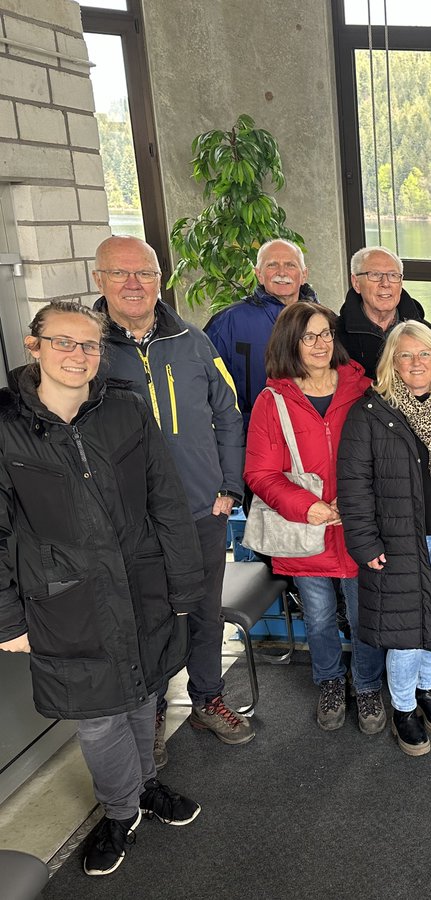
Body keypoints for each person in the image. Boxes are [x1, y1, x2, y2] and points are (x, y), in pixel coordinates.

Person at [0, 301, 203, 876]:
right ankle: (119, 812)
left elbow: (166, 501)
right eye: (64, 342)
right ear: (33, 345)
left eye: (89, 345)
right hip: (64, 599)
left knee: (142, 692)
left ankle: (144, 787)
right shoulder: (7, 426)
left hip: (140, 583)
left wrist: (184, 584)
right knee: (97, 716)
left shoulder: (126, 410)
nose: (78, 355)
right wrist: (7, 620)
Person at [93, 235, 252, 765]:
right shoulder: (90, 349)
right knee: (150, 616)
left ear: (160, 280)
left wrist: (229, 485)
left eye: (145, 273)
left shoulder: (192, 339)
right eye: (121, 274)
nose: (134, 284)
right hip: (131, 518)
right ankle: (155, 709)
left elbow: (228, 413)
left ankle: (208, 697)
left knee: (204, 609)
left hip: (200, 508)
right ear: (101, 280)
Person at [338, 322, 431, 756]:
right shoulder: (370, 413)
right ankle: (403, 708)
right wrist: (365, 544)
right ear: (392, 362)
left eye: (424, 353)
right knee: (407, 629)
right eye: (405, 355)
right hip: (400, 541)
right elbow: (354, 485)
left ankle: (426, 690)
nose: (416, 362)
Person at [244, 301, 385, 733]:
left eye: (326, 333)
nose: (321, 343)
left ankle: (367, 685)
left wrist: (360, 501)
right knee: (320, 616)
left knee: (366, 614)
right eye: (309, 336)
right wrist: (308, 506)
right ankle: (328, 680)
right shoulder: (273, 401)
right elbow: (259, 472)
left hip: (359, 526)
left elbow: (386, 458)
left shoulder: (364, 389)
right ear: (291, 343)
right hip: (306, 529)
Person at [205, 238, 317, 431]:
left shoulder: (323, 320)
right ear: (259, 274)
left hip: (310, 434)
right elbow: (206, 387)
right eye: (272, 265)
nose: (282, 272)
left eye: (290, 265)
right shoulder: (228, 322)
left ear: (304, 274)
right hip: (251, 434)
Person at [336, 246, 426, 378]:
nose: (385, 283)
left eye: (393, 275)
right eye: (375, 275)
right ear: (356, 283)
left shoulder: (426, 334)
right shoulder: (335, 338)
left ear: (401, 283)